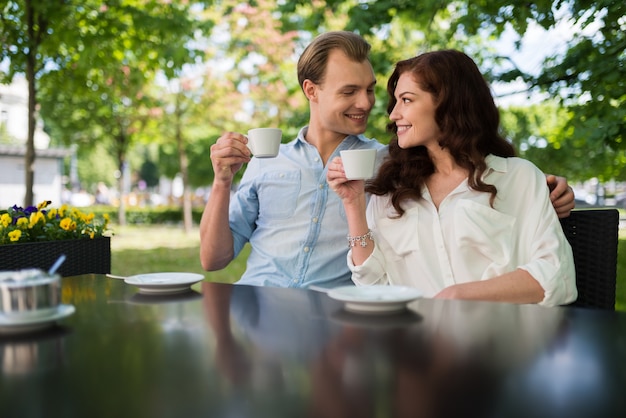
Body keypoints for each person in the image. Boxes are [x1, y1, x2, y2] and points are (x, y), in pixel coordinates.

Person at [199, 31, 575, 290]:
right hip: (257, 302)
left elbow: (463, 165)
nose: (367, 104)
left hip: (335, 318)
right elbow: (213, 260)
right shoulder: (267, 159)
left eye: (370, 90)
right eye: (349, 91)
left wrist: (545, 190)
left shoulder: (389, 164)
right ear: (311, 91)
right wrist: (221, 182)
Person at [326, 50, 577, 306]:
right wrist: (354, 204)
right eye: (397, 101)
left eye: (407, 100)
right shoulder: (392, 189)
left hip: (499, 338)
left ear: (448, 103)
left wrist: (458, 296)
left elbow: (556, 275)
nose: (394, 114)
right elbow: (372, 285)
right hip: (415, 339)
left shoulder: (517, 178)